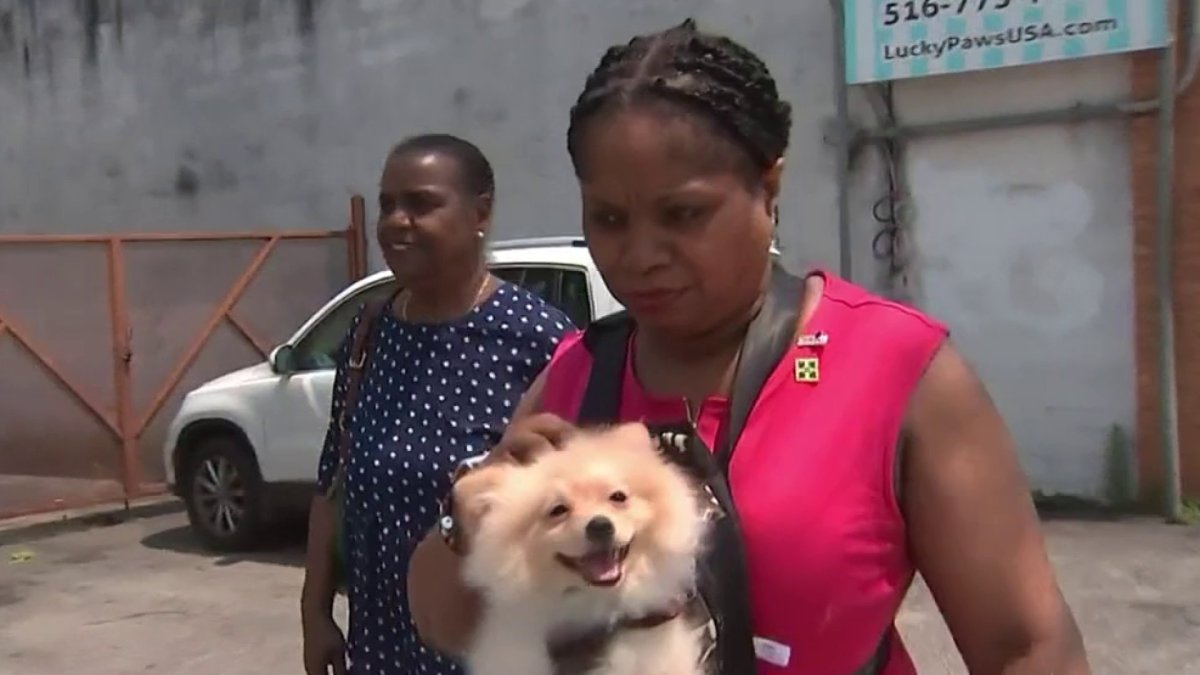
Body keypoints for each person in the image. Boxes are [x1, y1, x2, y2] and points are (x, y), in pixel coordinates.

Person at [406, 20, 1090, 675]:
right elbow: (450, 622)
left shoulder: (895, 368)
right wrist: (470, 516)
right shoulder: (576, 377)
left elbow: (1025, 645)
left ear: (769, 185)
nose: (640, 254)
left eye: (683, 214)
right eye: (609, 218)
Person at [300, 133, 574, 675]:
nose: (397, 221)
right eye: (387, 205)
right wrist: (315, 613)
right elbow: (334, 482)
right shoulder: (370, 332)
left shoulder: (535, 337)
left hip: (487, 651)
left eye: (421, 204)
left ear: (481, 213)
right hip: (377, 650)